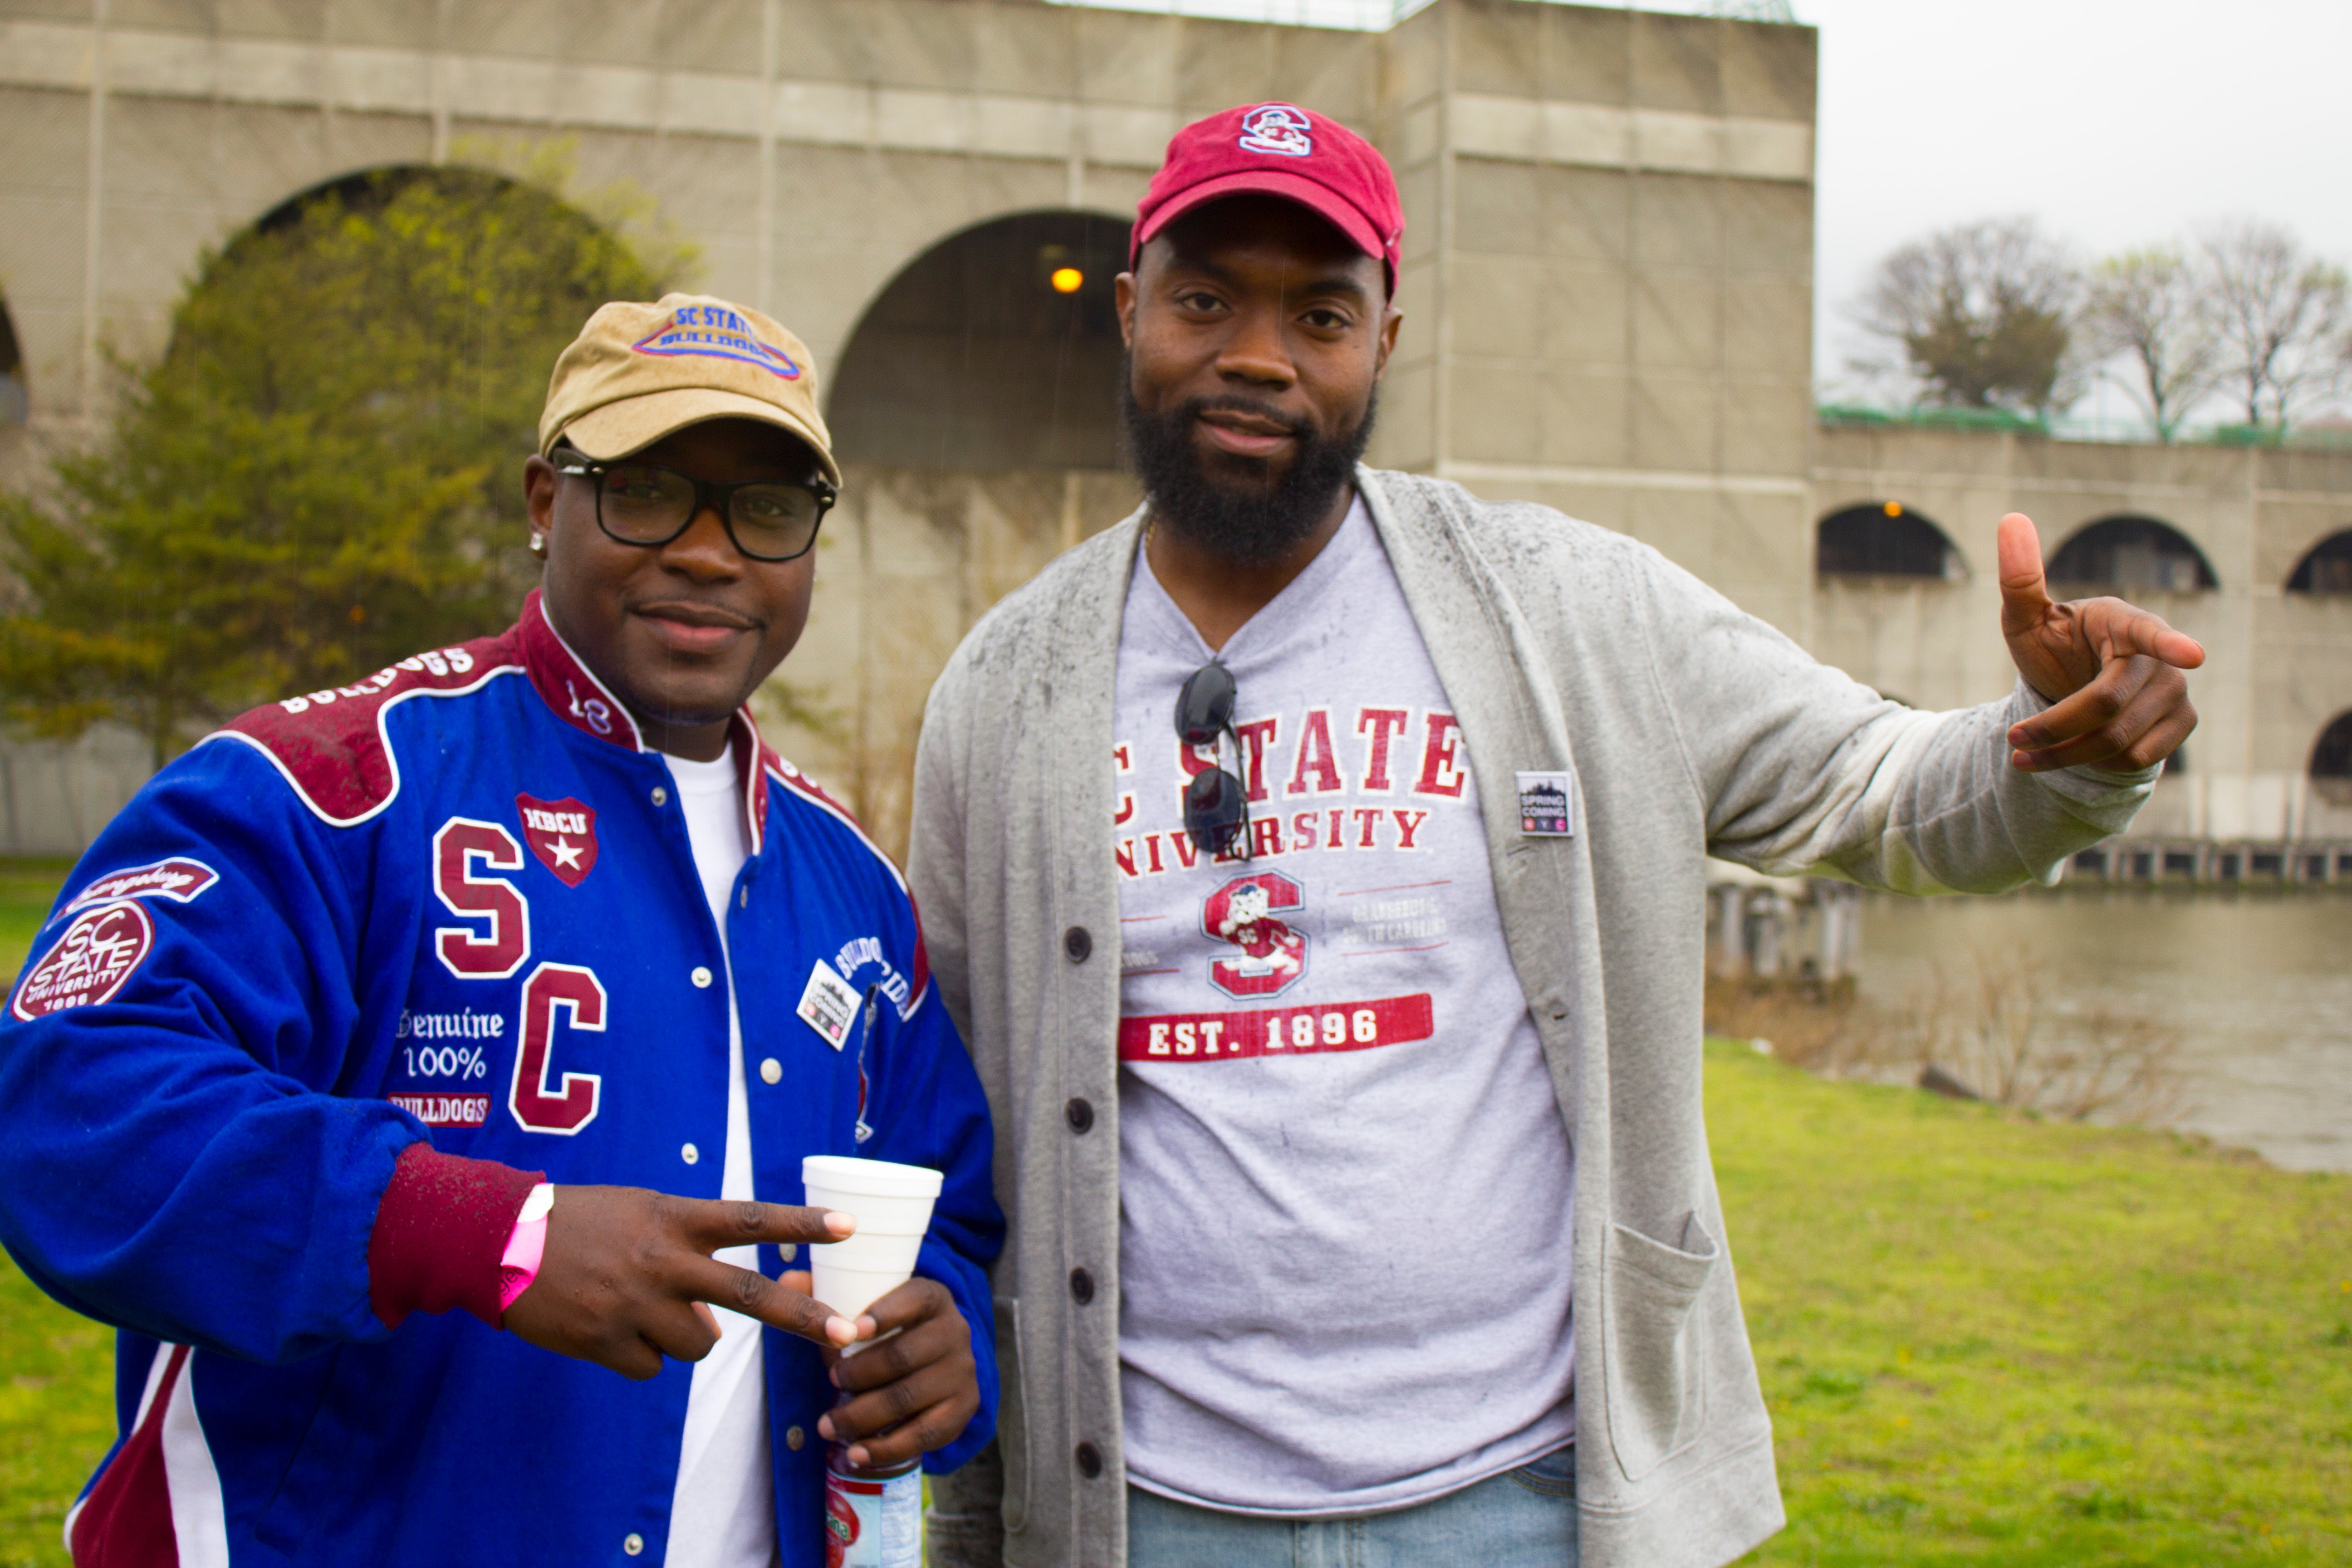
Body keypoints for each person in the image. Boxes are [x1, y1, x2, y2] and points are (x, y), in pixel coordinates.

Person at [906, 104, 2199, 1568]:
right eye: (1206, 299)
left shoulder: (1571, 611)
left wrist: (2056, 748)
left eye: (1320, 313)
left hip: (1521, 1504)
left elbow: (1880, 787)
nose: (1258, 353)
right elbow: (944, 1096)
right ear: (1131, 311)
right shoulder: (1004, 693)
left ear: (1386, 341)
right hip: (1143, 1510)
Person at [0, 294, 1001, 1567]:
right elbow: (64, 1099)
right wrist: (490, 1234)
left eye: (766, 507)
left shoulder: (852, 888)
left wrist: (941, 1341)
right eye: (648, 491)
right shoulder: (330, 782)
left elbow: (952, 1215)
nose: (709, 552)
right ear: (545, 500)